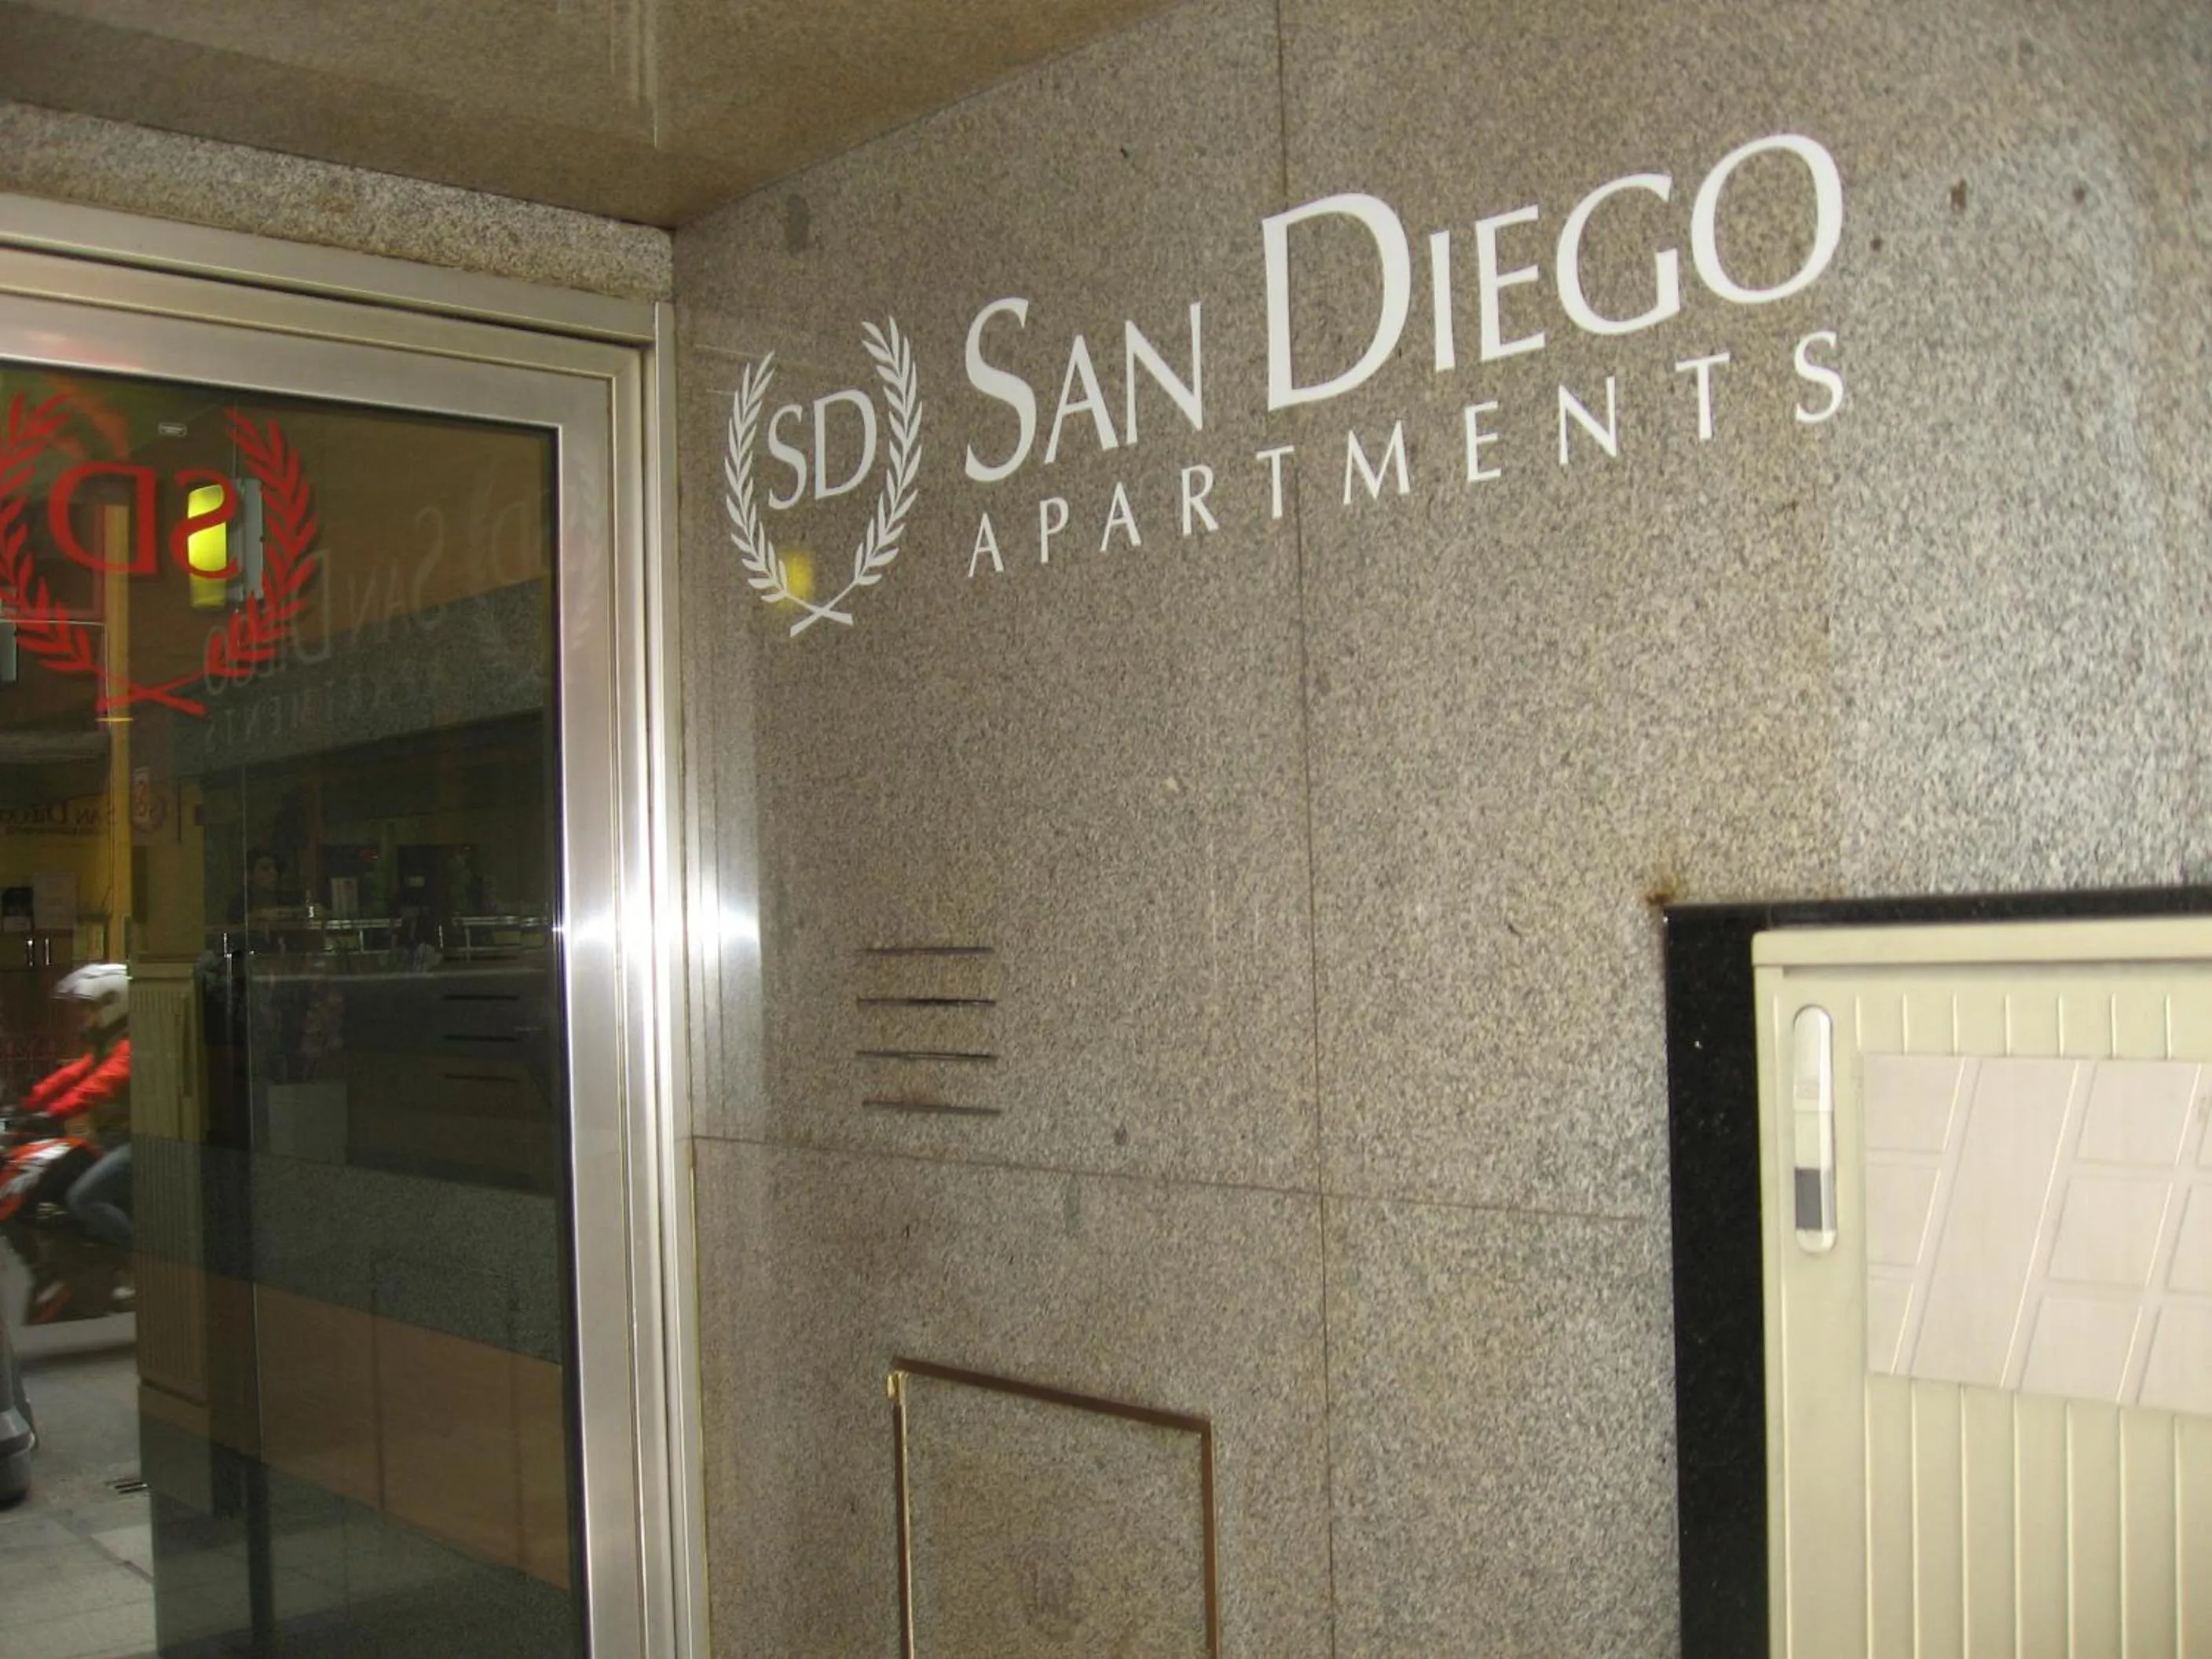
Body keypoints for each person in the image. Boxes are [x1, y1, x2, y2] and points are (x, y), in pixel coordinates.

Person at [26, 963, 132, 1254]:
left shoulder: (128, 1047)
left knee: (83, 1199)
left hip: (133, 1143)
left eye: (90, 1007)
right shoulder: (105, 1045)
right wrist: (29, 1103)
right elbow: (72, 1075)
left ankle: (144, 1264)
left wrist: (55, 1112)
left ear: (113, 1003)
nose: (85, 1015)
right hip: (108, 1139)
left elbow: (101, 1084)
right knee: (55, 1179)